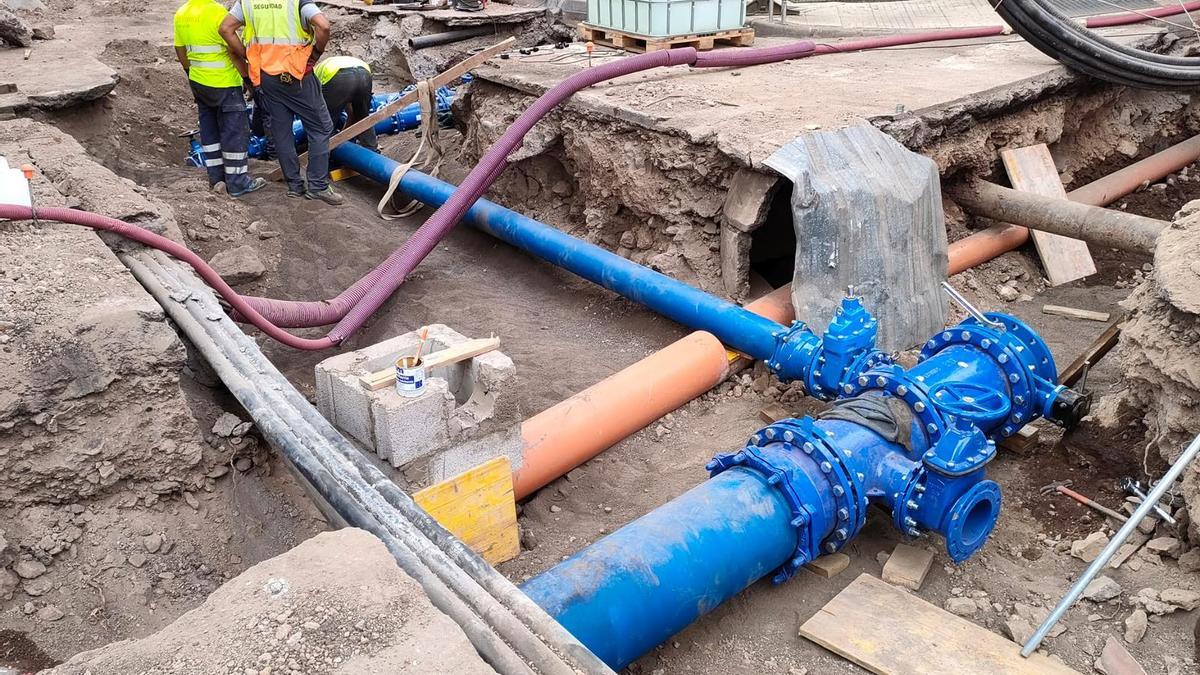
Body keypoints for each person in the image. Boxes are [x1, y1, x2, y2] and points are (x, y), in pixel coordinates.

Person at [218, 0, 344, 205]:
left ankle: (295, 186)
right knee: (320, 127)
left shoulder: (248, 2)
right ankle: (318, 186)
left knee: (281, 129)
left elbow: (225, 29)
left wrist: (247, 55)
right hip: (297, 74)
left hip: (266, 76)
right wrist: (314, 55)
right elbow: (324, 26)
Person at [173, 0, 265, 198]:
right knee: (234, 131)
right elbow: (232, 50)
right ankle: (238, 182)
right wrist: (248, 77)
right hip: (223, 82)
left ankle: (217, 179)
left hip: (198, 81)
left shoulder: (182, 13)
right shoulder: (217, 12)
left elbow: (180, 50)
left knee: (210, 130)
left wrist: (191, 72)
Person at [314, 55, 378, 152]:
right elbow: (352, 114)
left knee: (326, 123)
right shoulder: (325, 66)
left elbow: (317, 111)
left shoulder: (313, 77)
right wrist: (343, 137)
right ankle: (372, 149)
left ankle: (328, 156)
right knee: (362, 116)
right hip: (364, 73)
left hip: (338, 76)